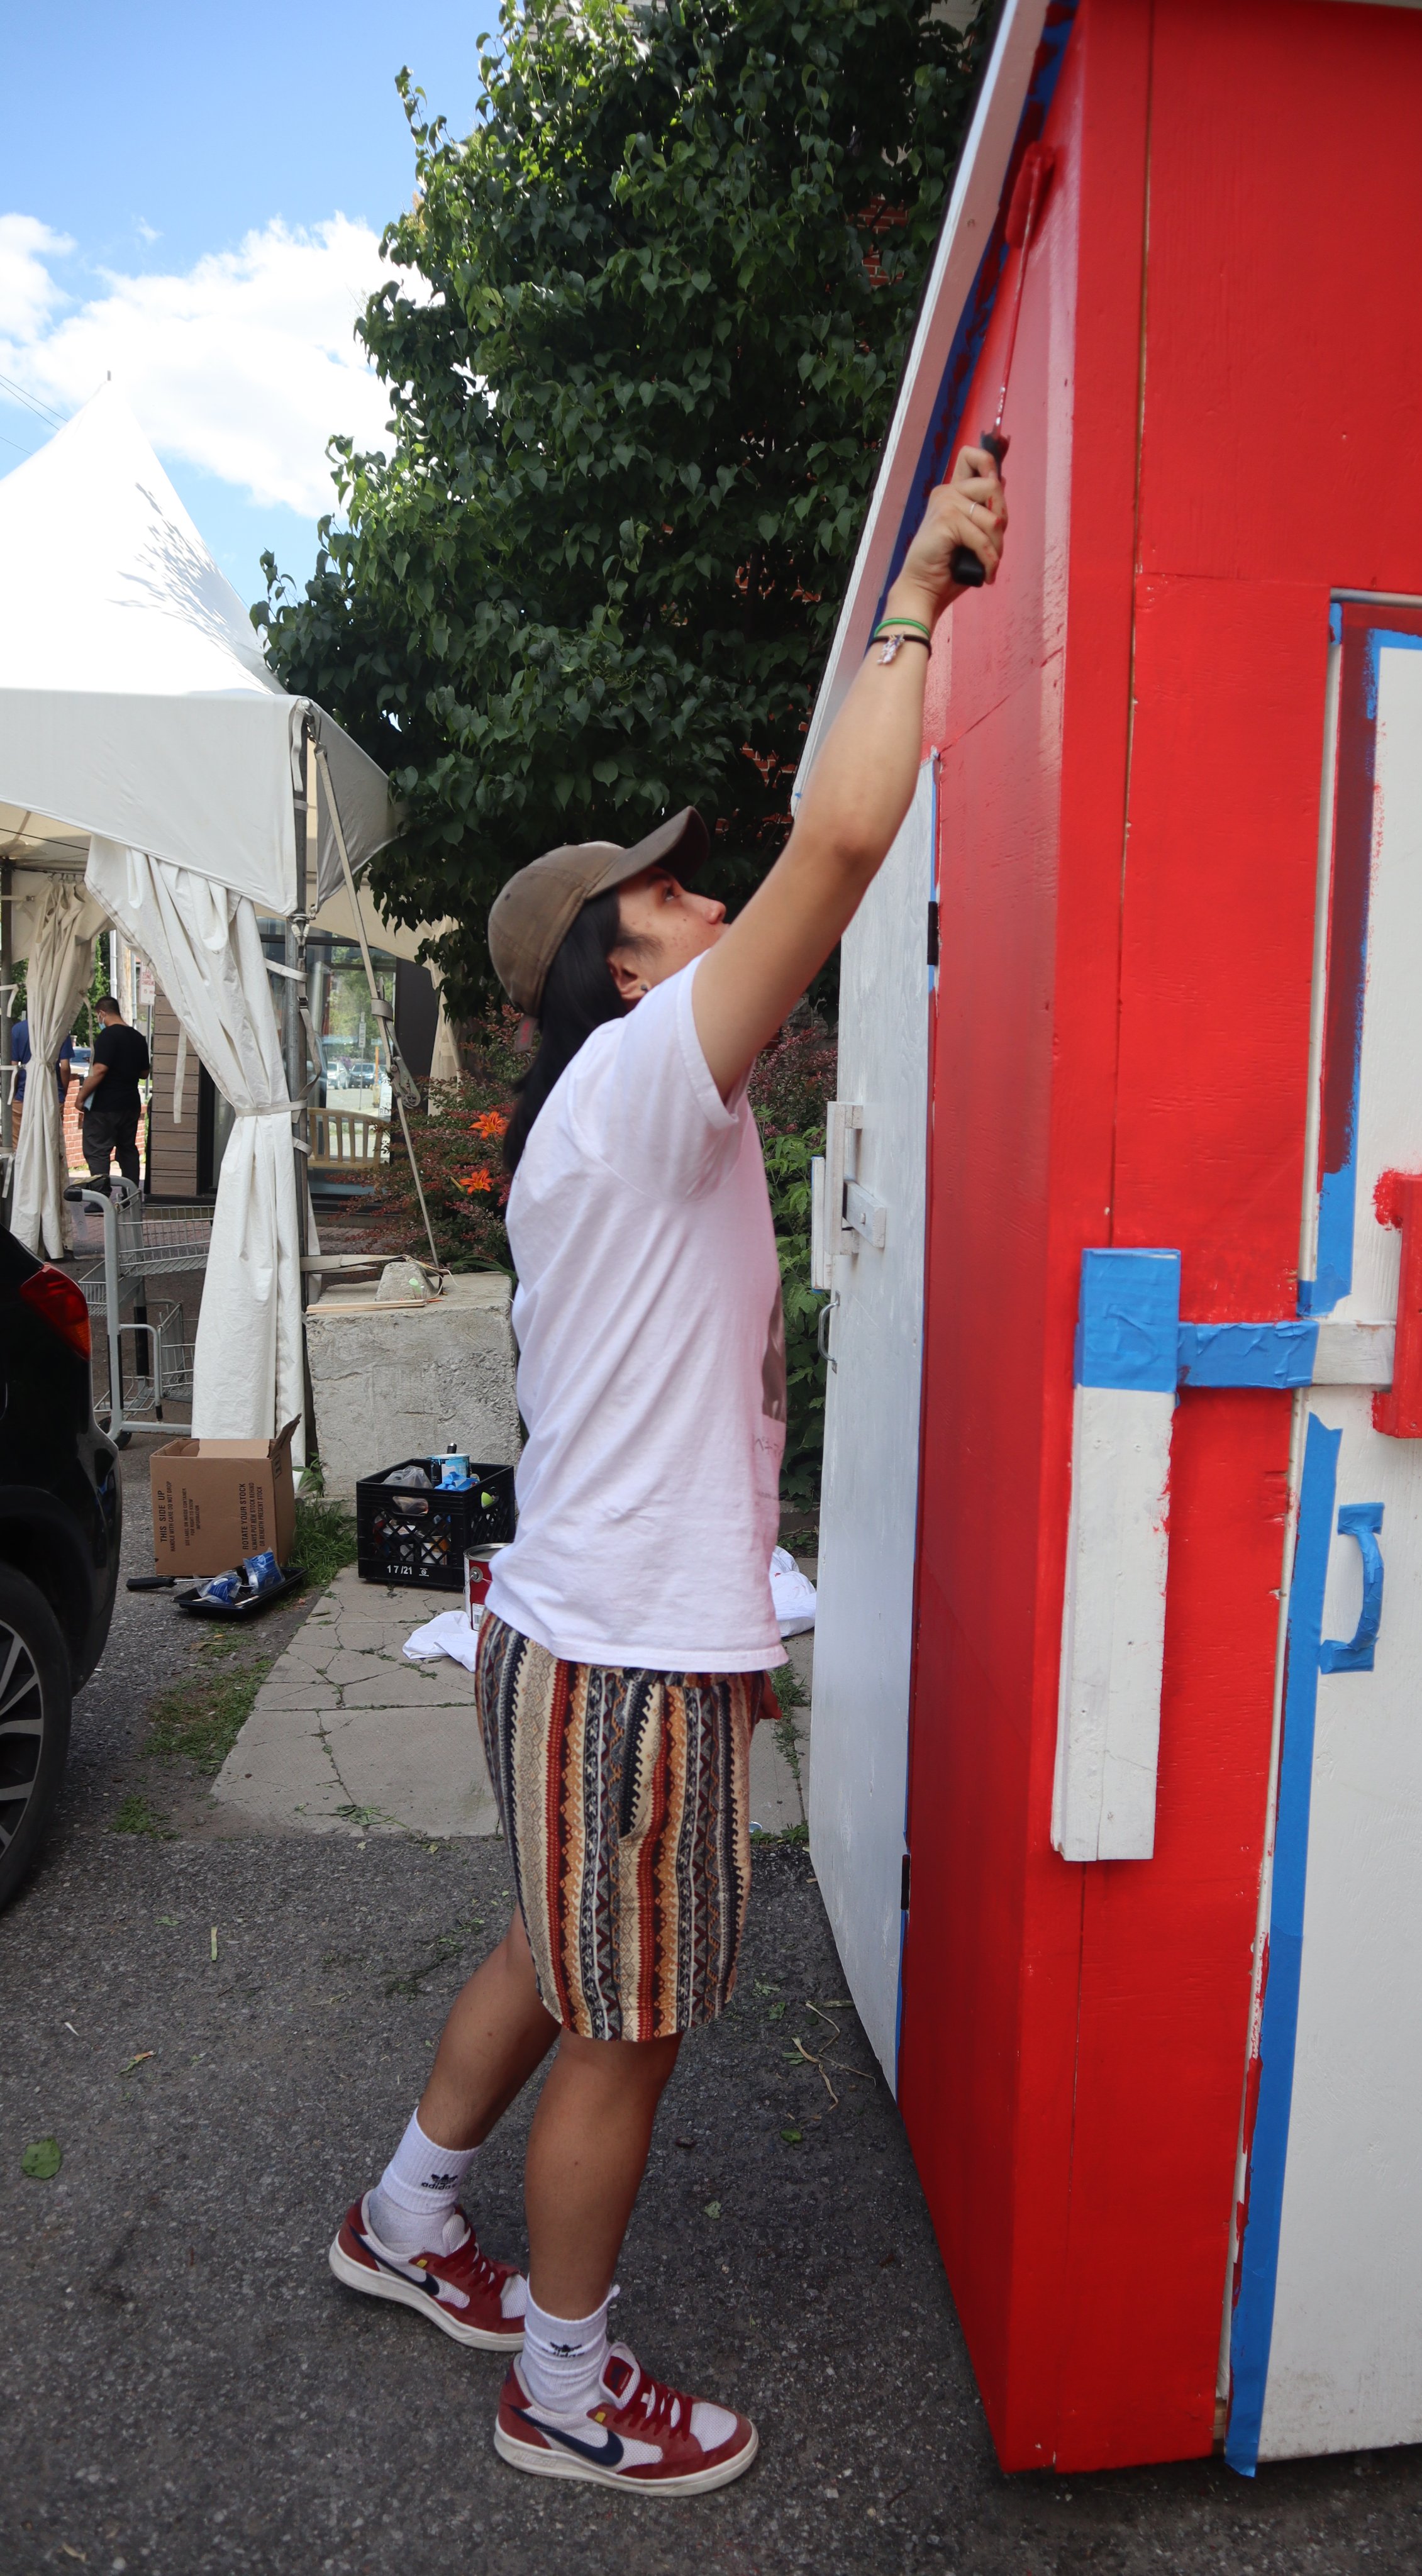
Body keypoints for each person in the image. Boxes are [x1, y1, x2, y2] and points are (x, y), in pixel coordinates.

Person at [326, 447, 1008, 2496]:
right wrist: (918, 595)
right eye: (668, 892)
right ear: (617, 969)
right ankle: (561, 2375)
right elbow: (852, 829)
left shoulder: (610, 1119)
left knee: (557, 1953)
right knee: (624, 2021)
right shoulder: (641, 1078)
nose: (706, 897)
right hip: (615, 1657)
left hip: (588, 1632)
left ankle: (405, 2216)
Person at [77, 994, 150, 1188]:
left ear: (102, 1013)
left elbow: (100, 1070)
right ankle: (131, 1195)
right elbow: (144, 1073)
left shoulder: (108, 1036)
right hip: (130, 1103)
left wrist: (81, 1097)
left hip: (105, 1105)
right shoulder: (137, 1037)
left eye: (98, 1017)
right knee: (127, 1150)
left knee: (98, 1150)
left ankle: (100, 1196)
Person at [8, 1015, 73, 1148]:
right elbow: (65, 1067)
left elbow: (13, 1067)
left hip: (23, 1096)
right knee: (51, 1145)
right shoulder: (60, 1029)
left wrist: (14, 1094)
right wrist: (63, 1091)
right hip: (52, 1095)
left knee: (20, 1146)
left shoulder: (17, 1030)